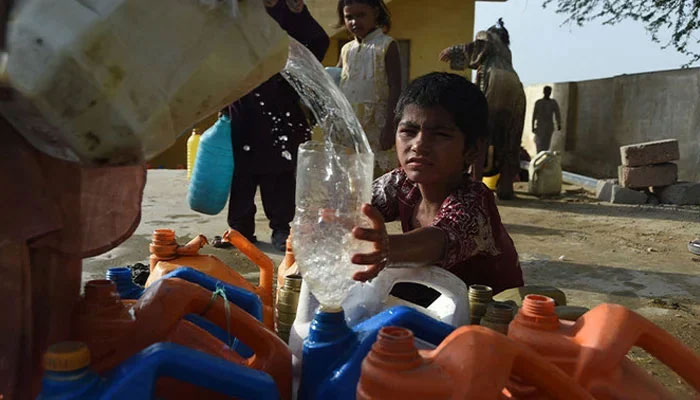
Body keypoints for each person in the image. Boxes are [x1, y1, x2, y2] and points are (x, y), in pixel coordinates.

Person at [350, 72, 524, 304]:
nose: (419, 145)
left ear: (472, 150)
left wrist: (386, 248)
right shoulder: (401, 183)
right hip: (432, 294)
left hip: (487, 312)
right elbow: (356, 208)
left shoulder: (474, 200)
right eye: (408, 132)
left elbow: (439, 240)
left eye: (440, 135)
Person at [224, 0, 329, 251]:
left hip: (282, 106)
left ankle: (282, 228)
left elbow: (318, 43)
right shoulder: (242, 10)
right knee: (241, 173)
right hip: (242, 103)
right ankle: (239, 231)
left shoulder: (289, 10)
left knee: (279, 173)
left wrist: (300, 14)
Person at [337, 0, 402, 175]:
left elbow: (396, 87)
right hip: (351, 125)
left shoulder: (387, 45)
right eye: (349, 17)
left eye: (361, 15)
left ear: (375, 13)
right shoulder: (346, 49)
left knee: (376, 177)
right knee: (352, 176)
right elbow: (336, 82)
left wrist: (391, 125)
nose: (354, 22)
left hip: (378, 126)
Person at [532, 86, 562, 153]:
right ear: (544, 92)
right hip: (540, 126)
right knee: (539, 143)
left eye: (549, 91)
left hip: (548, 126)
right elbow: (534, 115)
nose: (548, 93)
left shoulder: (553, 103)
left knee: (546, 144)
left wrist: (559, 123)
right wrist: (533, 126)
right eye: (546, 91)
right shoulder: (538, 102)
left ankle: (543, 157)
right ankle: (538, 156)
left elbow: (557, 113)